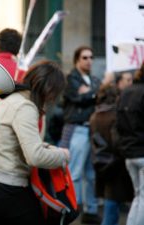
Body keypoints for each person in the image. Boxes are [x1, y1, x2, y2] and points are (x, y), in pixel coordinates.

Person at [0, 60, 70, 225]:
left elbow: (19, 141)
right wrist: (62, 155)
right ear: (48, 90)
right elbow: (35, 157)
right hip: (8, 189)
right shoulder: (25, 107)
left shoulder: (9, 97)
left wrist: (47, 147)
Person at [59, 46, 101, 224]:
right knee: (75, 173)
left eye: (91, 57)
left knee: (91, 174)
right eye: (85, 57)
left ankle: (90, 210)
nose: (89, 60)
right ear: (77, 59)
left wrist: (90, 93)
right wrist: (93, 94)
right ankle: (74, 208)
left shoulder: (92, 79)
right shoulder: (71, 79)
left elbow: (97, 95)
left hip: (92, 130)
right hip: (77, 128)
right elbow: (79, 99)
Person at [90, 84, 134, 225]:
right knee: (112, 208)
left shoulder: (95, 116)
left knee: (111, 202)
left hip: (102, 163)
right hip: (117, 165)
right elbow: (117, 143)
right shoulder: (115, 116)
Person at [117, 62, 144, 225]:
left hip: (129, 153)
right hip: (141, 151)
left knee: (139, 196)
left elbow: (118, 124)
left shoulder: (126, 92)